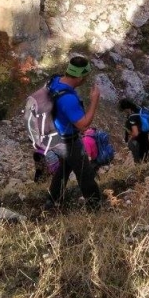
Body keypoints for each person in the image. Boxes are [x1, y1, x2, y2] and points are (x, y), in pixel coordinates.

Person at [46, 56, 102, 210]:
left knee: (64, 169)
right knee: (85, 174)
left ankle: (52, 201)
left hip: (55, 136)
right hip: (69, 141)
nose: (86, 79)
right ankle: (95, 207)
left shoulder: (55, 80)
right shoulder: (68, 99)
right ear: (80, 77)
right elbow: (83, 125)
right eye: (86, 76)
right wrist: (94, 100)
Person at [119, 98, 149, 163]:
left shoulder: (132, 117)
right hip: (145, 139)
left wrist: (130, 136)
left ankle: (138, 162)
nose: (124, 112)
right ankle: (145, 158)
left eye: (124, 110)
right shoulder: (139, 110)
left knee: (131, 143)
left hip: (139, 143)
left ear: (127, 109)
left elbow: (136, 133)